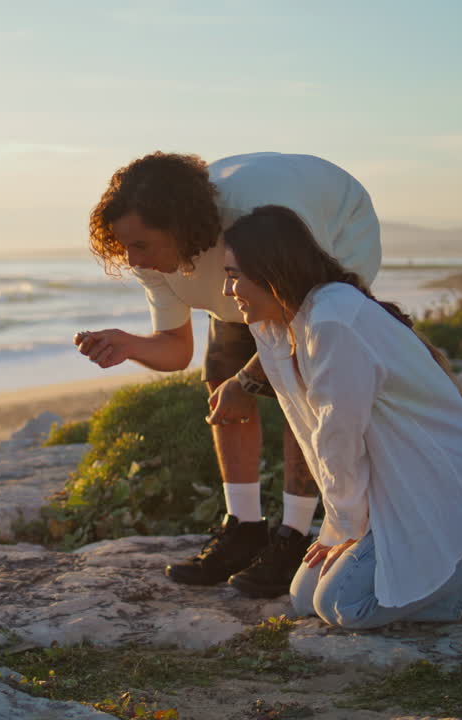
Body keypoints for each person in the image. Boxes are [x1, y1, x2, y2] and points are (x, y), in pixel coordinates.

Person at [77, 151, 382, 598]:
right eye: (125, 245)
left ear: (180, 228)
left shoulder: (256, 221)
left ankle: (294, 535)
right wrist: (130, 345)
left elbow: (294, 330)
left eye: (141, 244)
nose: (132, 258)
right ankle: (244, 527)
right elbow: (176, 350)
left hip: (333, 230)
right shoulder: (153, 257)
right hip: (247, 263)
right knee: (222, 368)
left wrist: (248, 382)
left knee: (298, 380)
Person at [220, 204, 462, 626]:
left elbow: (339, 435)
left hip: (432, 480)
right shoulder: (280, 325)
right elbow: (313, 430)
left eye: (234, 276)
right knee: (303, 598)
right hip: (387, 484)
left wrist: (346, 525)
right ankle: (453, 571)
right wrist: (345, 523)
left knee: (344, 606)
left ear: (271, 271)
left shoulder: (332, 321)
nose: (229, 292)